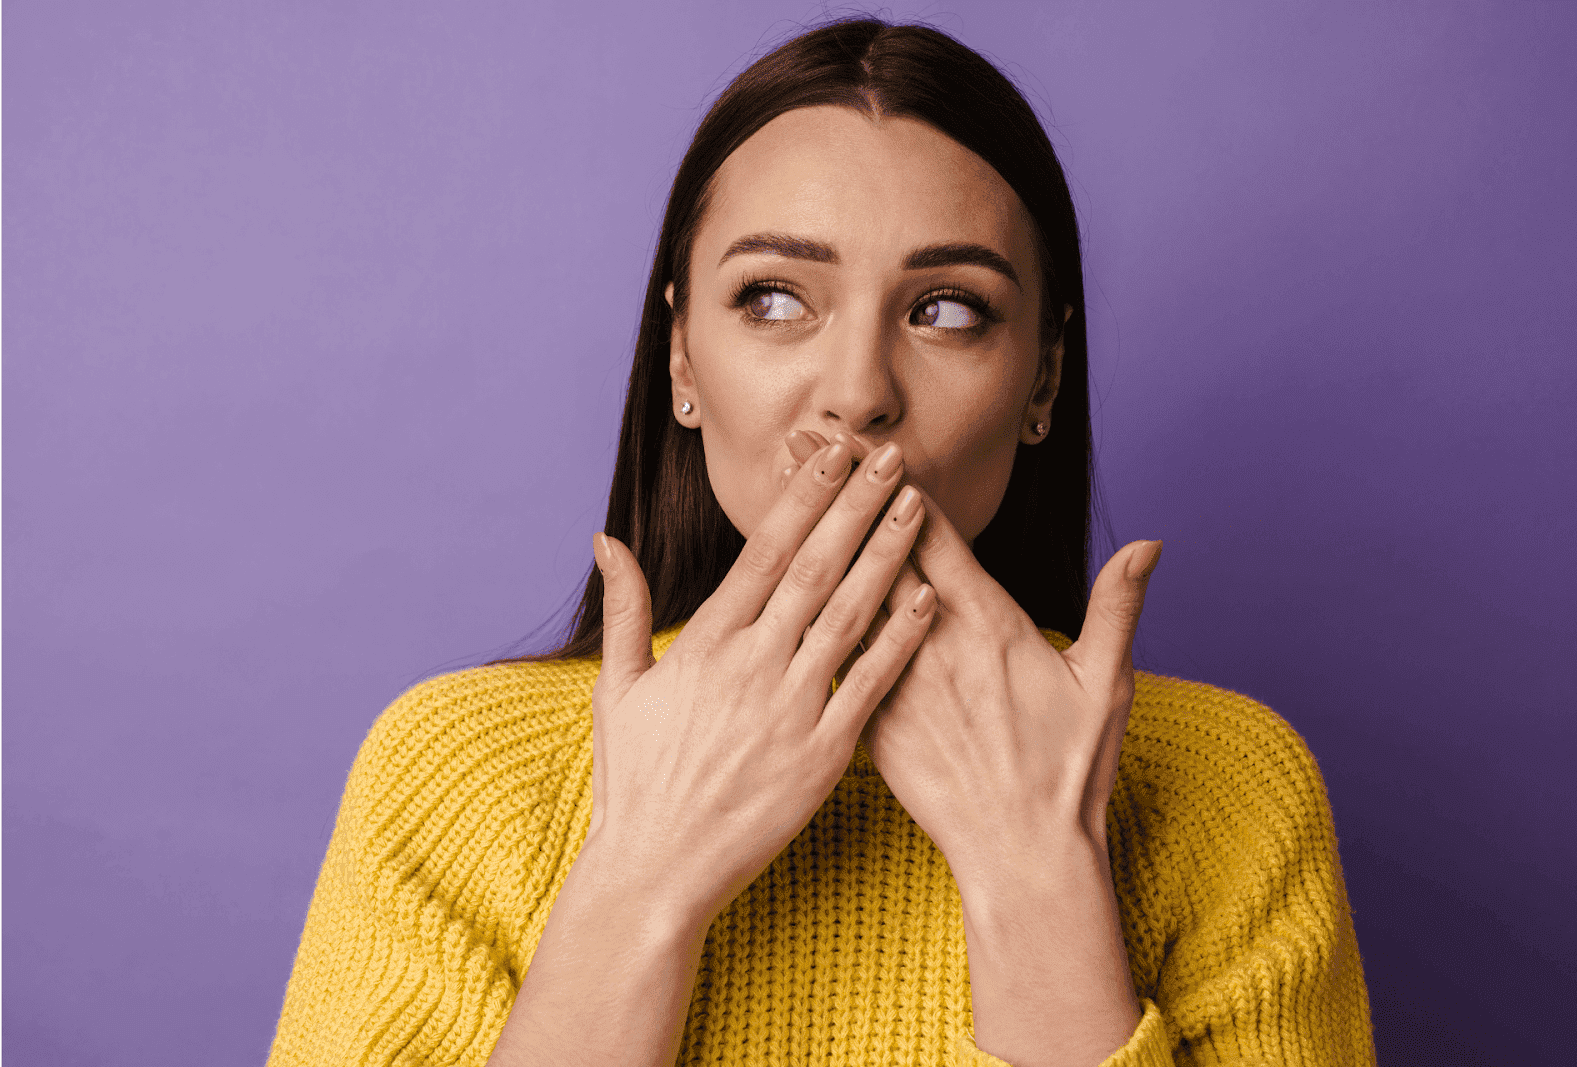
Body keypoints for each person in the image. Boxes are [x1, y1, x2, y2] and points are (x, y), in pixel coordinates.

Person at [267, 18, 1374, 1067]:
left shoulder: (1225, 786)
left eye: (946, 310)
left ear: (1041, 375)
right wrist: (641, 877)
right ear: (683, 360)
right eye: (774, 298)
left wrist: (1036, 869)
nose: (856, 396)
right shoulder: (457, 768)